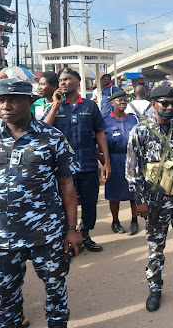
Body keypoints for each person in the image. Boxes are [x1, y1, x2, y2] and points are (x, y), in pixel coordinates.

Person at [0, 78, 82, 328]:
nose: (6, 106)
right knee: (6, 299)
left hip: (47, 232)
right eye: (0, 101)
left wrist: (72, 229)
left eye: (14, 99)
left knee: (55, 290)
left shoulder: (52, 137)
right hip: (0, 235)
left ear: (30, 102)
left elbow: (66, 184)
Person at [125, 85, 173, 312]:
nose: (170, 107)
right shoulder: (140, 131)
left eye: (172, 103)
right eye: (164, 103)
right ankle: (155, 287)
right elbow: (132, 170)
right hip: (155, 201)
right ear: (154, 104)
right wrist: (139, 200)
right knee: (156, 247)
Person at [43, 68, 111, 252]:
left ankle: (86, 235)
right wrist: (55, 105)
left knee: (90, 204)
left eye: (66, 79)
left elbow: (100, 133)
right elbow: (43, 131)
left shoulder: (90, 106)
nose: (63, 83)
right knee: (64, 205)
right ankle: (68, 239)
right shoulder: (54, 107)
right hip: (63, 169)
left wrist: (106, 162)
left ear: (77, 82)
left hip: (87, 164)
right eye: (60, 80)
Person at [103, 91, 139, 235]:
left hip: (131, 158)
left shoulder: (133, 119)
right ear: (112, 103)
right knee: (114, 194)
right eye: (119, 100)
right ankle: (115, 221)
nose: (123, 102)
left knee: (134, 192)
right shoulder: (105, 121)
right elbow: (96, 142)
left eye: (125, 100)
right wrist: (104, 162)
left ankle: (134, 221)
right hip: (114, 159)